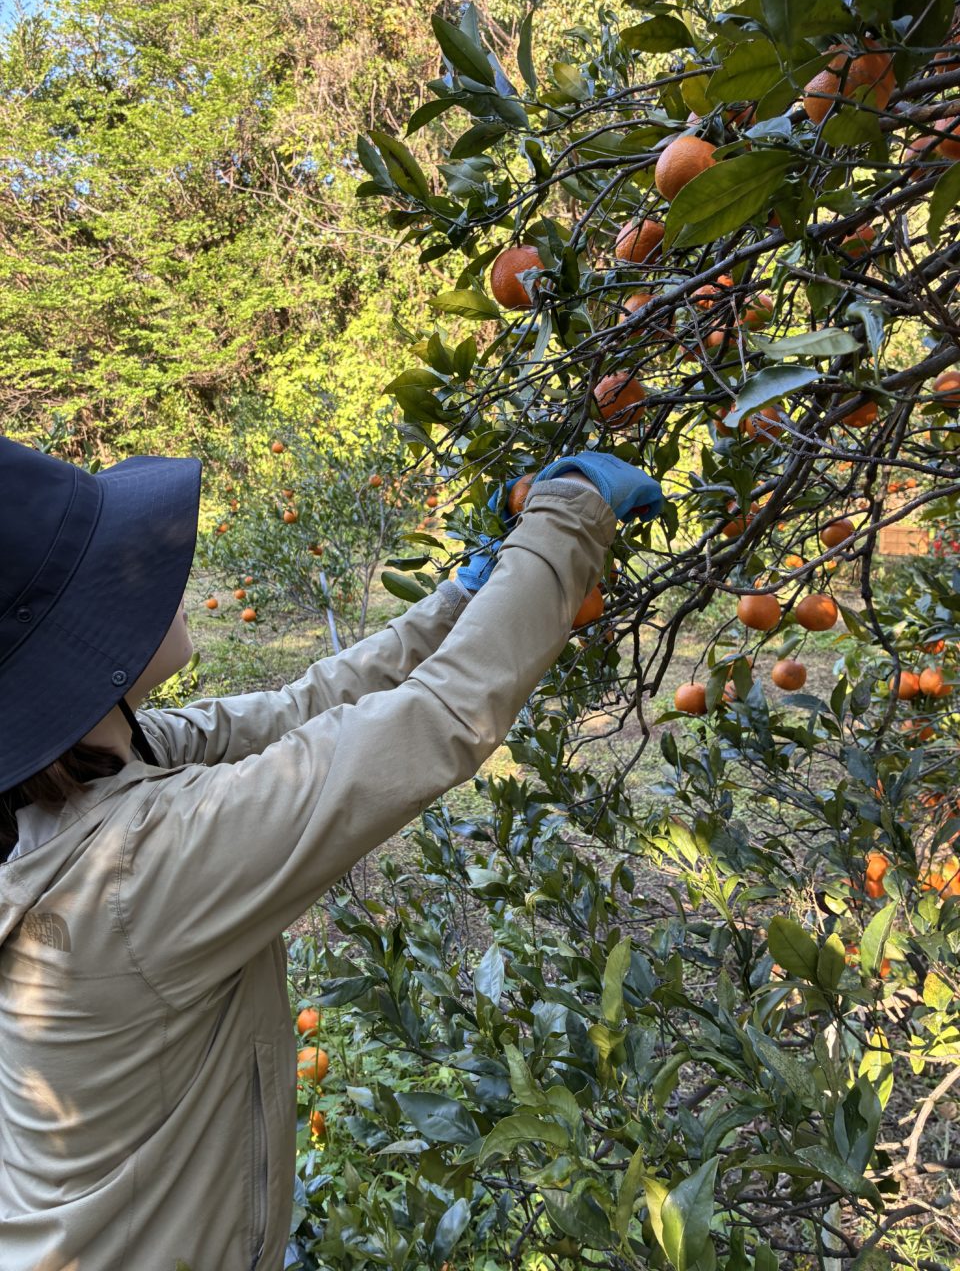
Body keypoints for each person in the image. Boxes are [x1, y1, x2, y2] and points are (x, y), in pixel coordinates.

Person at [0, 435, 663, 1270]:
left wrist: (465, 594)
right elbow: (436, 722)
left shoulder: (75, 777)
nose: (156, 567)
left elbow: (302, 709)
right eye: (113, 566)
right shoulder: (140, 867)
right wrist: (567, 516)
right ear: (77, 639)